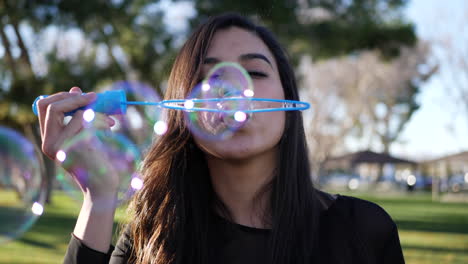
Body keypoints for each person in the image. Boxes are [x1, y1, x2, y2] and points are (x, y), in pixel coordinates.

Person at [36, 13, 405, 264]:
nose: (231, 92)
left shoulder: (365, 231)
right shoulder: (150, 236)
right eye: (208, 79)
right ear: (182, 112)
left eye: (255, 72)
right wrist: (98, 200)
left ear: (288, 105)